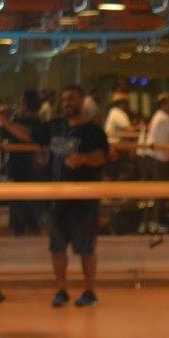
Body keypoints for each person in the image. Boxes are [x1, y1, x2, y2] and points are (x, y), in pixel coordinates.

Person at [44, 85, 109, 308]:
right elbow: (30, 135)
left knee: (85, 248)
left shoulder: (93, 132)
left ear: (82, 101)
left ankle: (90, 291)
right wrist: (3, 122)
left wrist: (83, 159)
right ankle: (61, 290)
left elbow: (102, 157)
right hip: (57, 198)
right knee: (57, 247)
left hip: (84, 201)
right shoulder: (57, 128)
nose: (66, 103)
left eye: (71, 98)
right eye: (64, 99)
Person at [0, 90, 48, 236]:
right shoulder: (30, 122)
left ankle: (26, 232)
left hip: (29, 170)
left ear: (25, 104)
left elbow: (27, 135)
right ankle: (25, 231)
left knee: (27, 209)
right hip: (24, 170)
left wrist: (3, 121)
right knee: (22, 209)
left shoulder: (36, 125)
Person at [140, 92, 169, 180]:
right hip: (158, 157)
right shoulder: (165, 118)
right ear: (163, 104)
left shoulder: (158, 115)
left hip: (152, 155)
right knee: (160, 185)